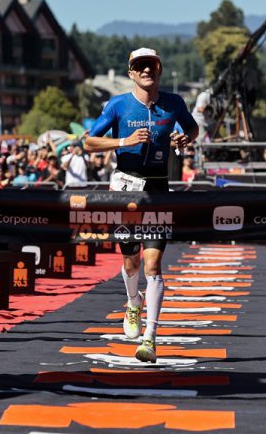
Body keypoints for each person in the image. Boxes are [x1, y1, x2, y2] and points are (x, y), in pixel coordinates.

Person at [85, 47, 198, 363]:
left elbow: (192, 128)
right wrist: (125, 141)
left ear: (159, 69)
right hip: (126, 188)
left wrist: (185, 138)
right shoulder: (118, 104)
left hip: (159, 189)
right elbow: (89, 142)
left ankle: (150, 337)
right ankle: (133, 302)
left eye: (151, 65)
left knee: (153, 265)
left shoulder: (174, 103)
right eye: (140, 66)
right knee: (131, 262)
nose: (146, 70)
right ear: (131, 73)